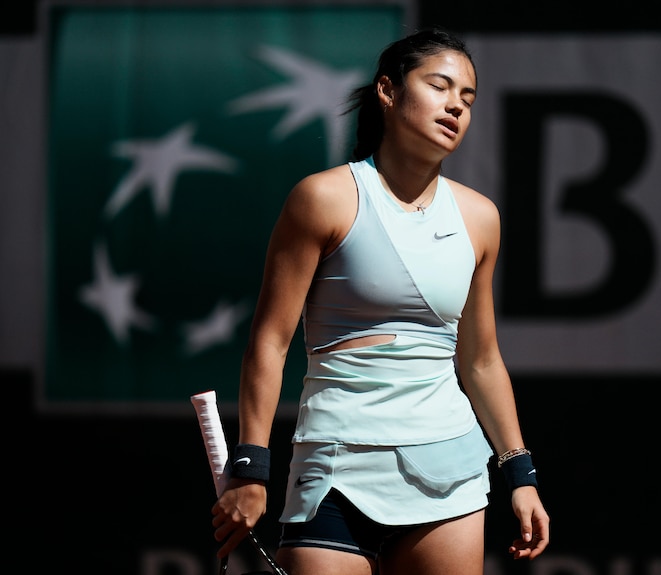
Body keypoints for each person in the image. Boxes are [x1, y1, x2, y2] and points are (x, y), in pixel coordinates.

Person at [211, 27, 550, 575]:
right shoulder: (322, 198)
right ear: (388, 92)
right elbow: (270, 343)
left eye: (467, 98)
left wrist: (521, 475)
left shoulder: (480, 218)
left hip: (451, 469)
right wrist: (251, 468)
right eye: (439, 86)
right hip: (335, 467)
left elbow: (481, 359)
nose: (455, 107)